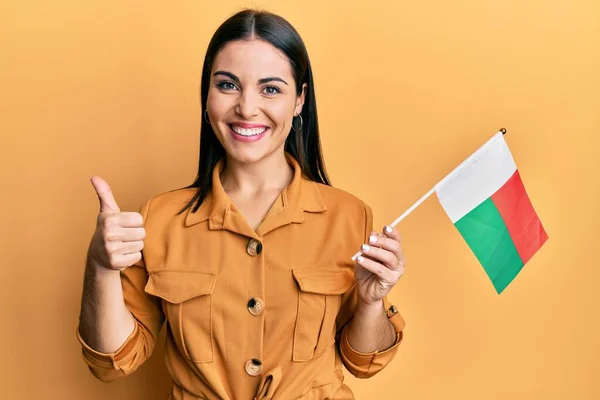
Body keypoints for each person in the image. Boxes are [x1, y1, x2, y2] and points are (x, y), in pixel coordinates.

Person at [77, 8, 406, 400]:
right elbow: (114, 361)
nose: (247, 108)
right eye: (228, 85)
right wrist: (99, 266)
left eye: (271, 89)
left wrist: (371, 302)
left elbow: (364, 360)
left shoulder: (348, 216)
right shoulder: (159, 219)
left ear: (299, 100)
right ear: (207, 96)